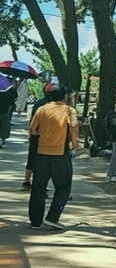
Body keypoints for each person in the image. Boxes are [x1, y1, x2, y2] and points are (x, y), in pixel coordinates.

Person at [28, 82, 79, 230]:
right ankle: (52, 217)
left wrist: (40, 133)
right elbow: (73, 126)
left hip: (42, 154)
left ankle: (35, 222)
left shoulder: (42, 109)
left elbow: (32, 129)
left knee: (38, 188)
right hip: (60, 154)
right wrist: (75, 143)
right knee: (64, 187)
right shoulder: (69, 110)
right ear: (64, 97)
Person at [21, 83, 53, 190]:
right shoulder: (53, 106)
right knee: (43, 161)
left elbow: (32, 119)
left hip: (35, 134)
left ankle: (26, 182)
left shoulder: (39, 103)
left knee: (31, 158)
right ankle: (39, 185)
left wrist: (30, 133)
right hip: (46, 136)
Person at [0, 76, 15, 147]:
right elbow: (10, 103)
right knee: (3, 127)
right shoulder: (8, 92)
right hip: (4, 111)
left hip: (4, 111)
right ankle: (1, 139)